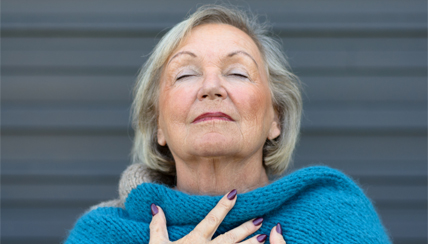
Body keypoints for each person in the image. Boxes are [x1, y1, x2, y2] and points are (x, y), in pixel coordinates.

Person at [65, 4, 391, 244]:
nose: (210, 87)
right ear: (158, 124)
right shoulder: (98, 235)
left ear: (275, 117)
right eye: (185, 74)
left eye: (237, 72)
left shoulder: (338, 219)